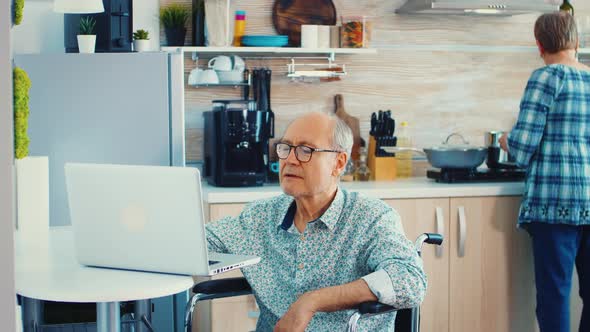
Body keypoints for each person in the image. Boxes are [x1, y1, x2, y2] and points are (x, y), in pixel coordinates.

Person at [206, 112, 426, 331]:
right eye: (286, 148)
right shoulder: (259, 218)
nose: (290, 160)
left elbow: (410, 280)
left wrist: (313, 301)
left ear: (338, 163)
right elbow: (198, 242)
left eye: (305, 150)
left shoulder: (371, 218)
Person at [499, 12, 590, 332]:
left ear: (539, 44)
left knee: (554, 293)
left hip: (554, 203)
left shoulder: (546, 77)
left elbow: (522, 149)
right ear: (576, 41)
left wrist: (504, 140)